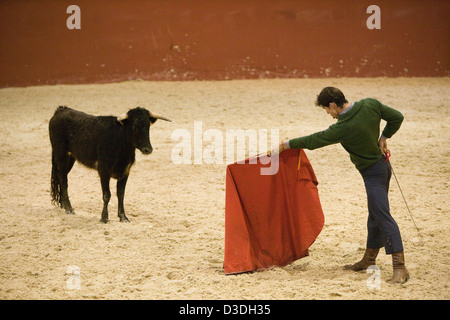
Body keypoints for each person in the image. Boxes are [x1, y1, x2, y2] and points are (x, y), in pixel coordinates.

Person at [277, 87, 409, 284]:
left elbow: (315, 140)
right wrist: (384, 137)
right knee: (375, 213)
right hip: (382, 167)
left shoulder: (342, 127)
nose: (329, 115)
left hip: (373, 173)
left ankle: (400, 267)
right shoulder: (370, 104)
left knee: (381, 214)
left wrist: (287, 144)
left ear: (333, 105)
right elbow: (397, 117)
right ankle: (369, 259)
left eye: (327, 110)